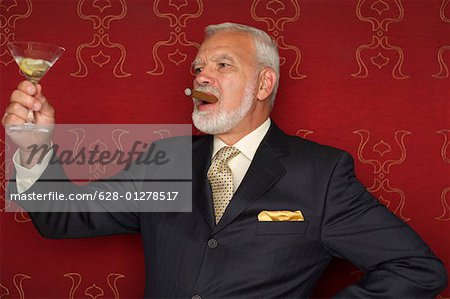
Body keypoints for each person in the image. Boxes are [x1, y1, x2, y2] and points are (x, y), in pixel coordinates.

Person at [2, 22, 448, 298]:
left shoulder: (323, 173)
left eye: (222, 65)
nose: (202, 77)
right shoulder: (165, 159)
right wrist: (33, 141)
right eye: (197, 69)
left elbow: (417, 269)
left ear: (263, 84)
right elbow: (60, 218)